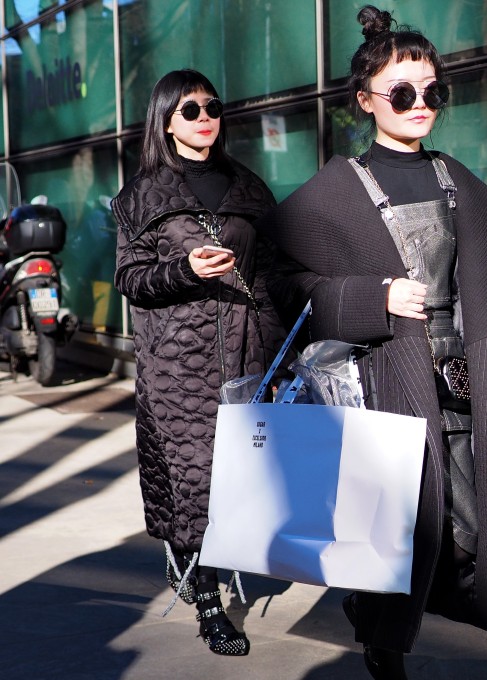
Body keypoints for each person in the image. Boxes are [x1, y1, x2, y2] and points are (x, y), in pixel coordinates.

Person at [257, 6, 487, 679]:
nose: (420, 105)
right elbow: (280, 282)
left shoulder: (453, 175)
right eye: (402, 93)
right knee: (401, 522)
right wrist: (371, 297)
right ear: (365, 101)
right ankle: (382, 632)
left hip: (458, 376)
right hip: (384, 377)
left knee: (463, 527)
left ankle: (391, 616)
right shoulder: (335, 191)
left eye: (432, 92)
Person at [112, 69, 281, 657]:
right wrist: (187, 271)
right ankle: (208, 601)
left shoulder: (249, 188)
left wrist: (278, 352)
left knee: (239, 482)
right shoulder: (141, 196)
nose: (205, 116)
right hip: (175, 366)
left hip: (245, 354)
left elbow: (271, 275)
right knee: (195, 483)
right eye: (190, 109)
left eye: (212, 106)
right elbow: (130, 279)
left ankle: (190, 560)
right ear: (165, 120)